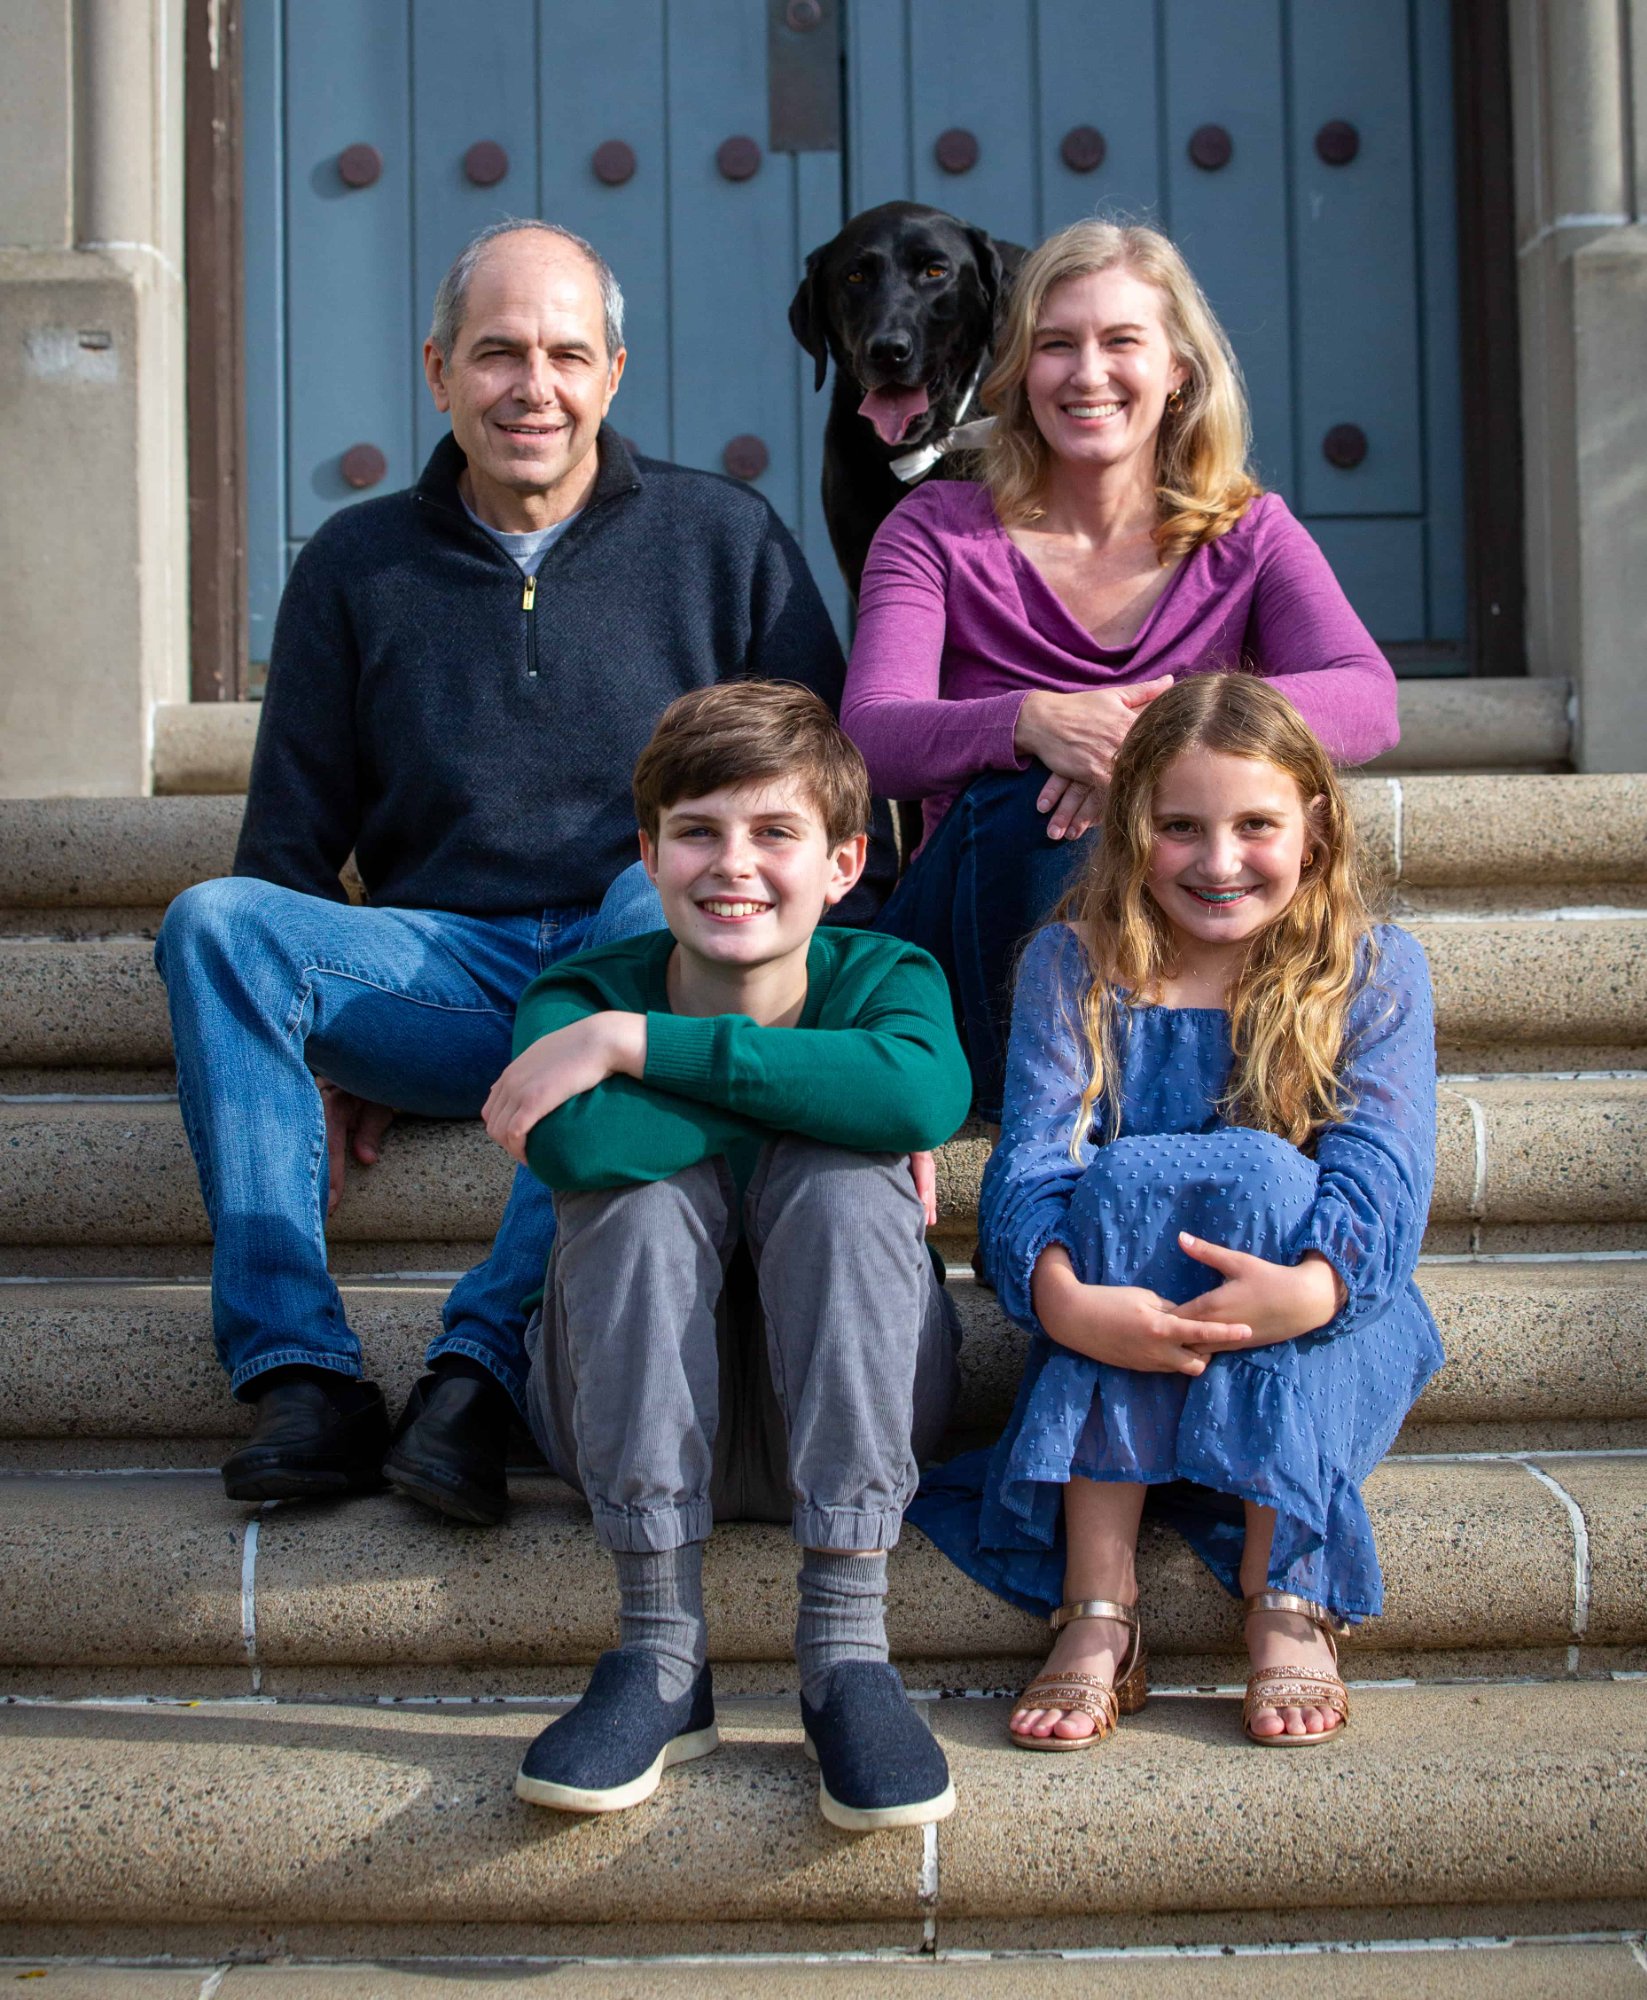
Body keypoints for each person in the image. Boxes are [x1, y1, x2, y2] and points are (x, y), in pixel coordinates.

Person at [155, 218, 886, 1518]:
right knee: (218, 924)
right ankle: (302, 1375)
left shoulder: (723, 542)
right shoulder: (354, 566)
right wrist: (318, 1042)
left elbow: (829, 811)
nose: (529, 387)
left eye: (562, 354)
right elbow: (283, 852)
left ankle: (478, 1370)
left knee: (653, 884)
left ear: (613, 371)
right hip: (447, 968)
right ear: (436, 372)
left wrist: (834, 1022)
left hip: (656, 964)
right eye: (496, 354)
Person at [909, 674, 1443, 1749]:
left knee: (1260, 1176)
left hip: (1321, 1316)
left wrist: (1305, 1288)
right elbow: (1032, 1176)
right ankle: (1099, 1598)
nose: (1219, 859)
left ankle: (1285, 1583)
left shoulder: (1373, 970)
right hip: (1118, 1315)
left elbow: (1383, 1177)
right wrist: (1062, 1300)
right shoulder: (1076, 964)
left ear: (1316, 825)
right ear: (1126, 827)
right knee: (1120, 1182)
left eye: (1256, 824)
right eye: (1180, 826)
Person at [482, 682, 970, 1827]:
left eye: (775, 832)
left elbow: (924, 1091)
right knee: (637, 1195)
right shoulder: (575, 991)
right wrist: (834, 1095)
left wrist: (635, 1046)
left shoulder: (890, 978)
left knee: (847, 1186)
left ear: (846, 862)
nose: (732, 864)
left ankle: (848, 1650)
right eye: (698, 830)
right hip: (621, 1411)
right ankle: (658, 1651)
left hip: (862, 1407)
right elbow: (581, 1142)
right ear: (648, 854)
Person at [841, 219, 1399, 1120]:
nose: (1087, 373)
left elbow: (1367, 701)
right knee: (1029, 795)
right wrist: (1029, 724)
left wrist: (1149, 741)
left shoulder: (1244, 532)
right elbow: (869, 735)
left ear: (1177, 367)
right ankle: (1050, 1120)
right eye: (1056, 345)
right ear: (1021, 369)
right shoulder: (935, 528)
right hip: (971, 951)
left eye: (1121, 342)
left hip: (1180, 920)